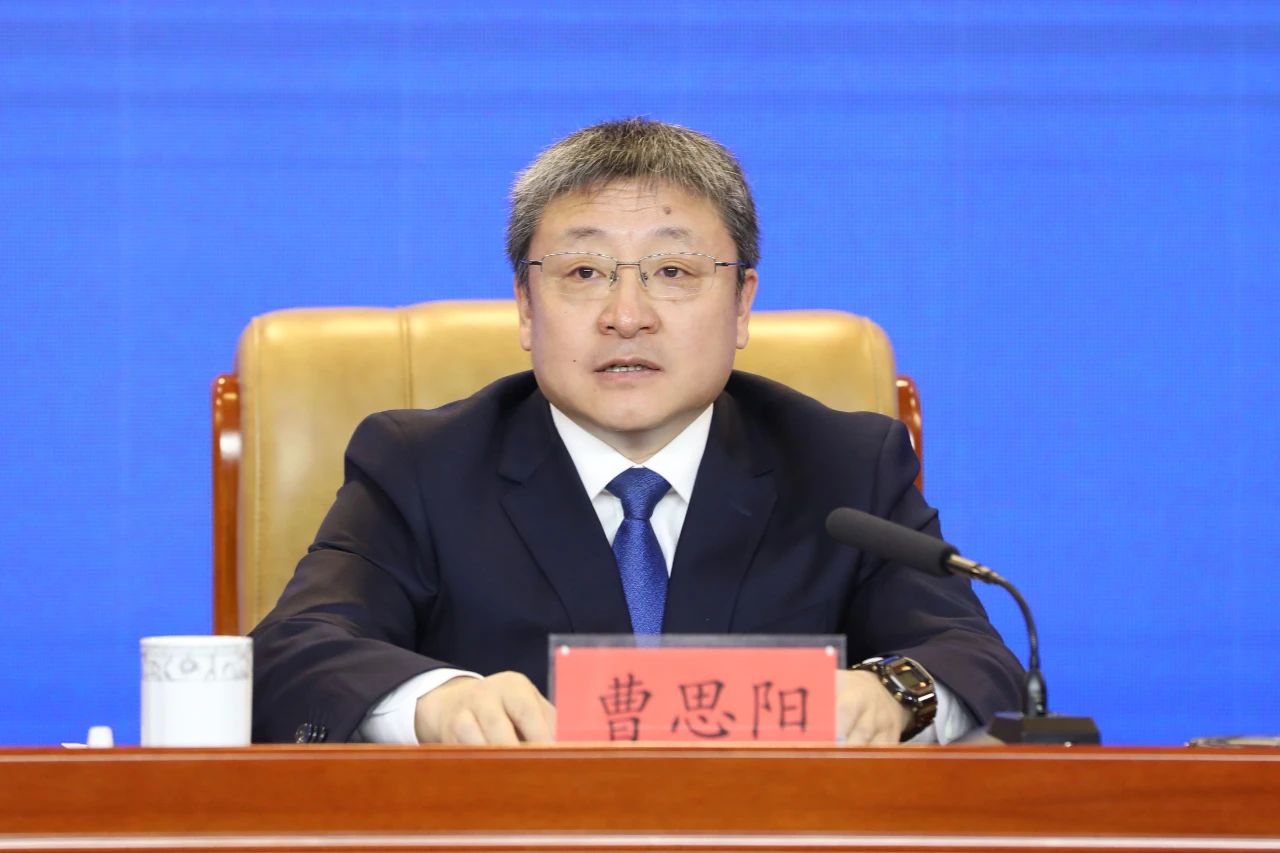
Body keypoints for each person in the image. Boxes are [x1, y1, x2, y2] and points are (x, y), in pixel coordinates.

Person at [250, 118, 1023, 746]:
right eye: (584, 273)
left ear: (742, 303)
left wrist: (893, 694)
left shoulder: (845, 467)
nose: (627, 316)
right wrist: (437, 701)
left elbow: (975, 659)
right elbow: (293, 655)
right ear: (525, 306)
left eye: (674, 272)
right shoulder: (422, 467)